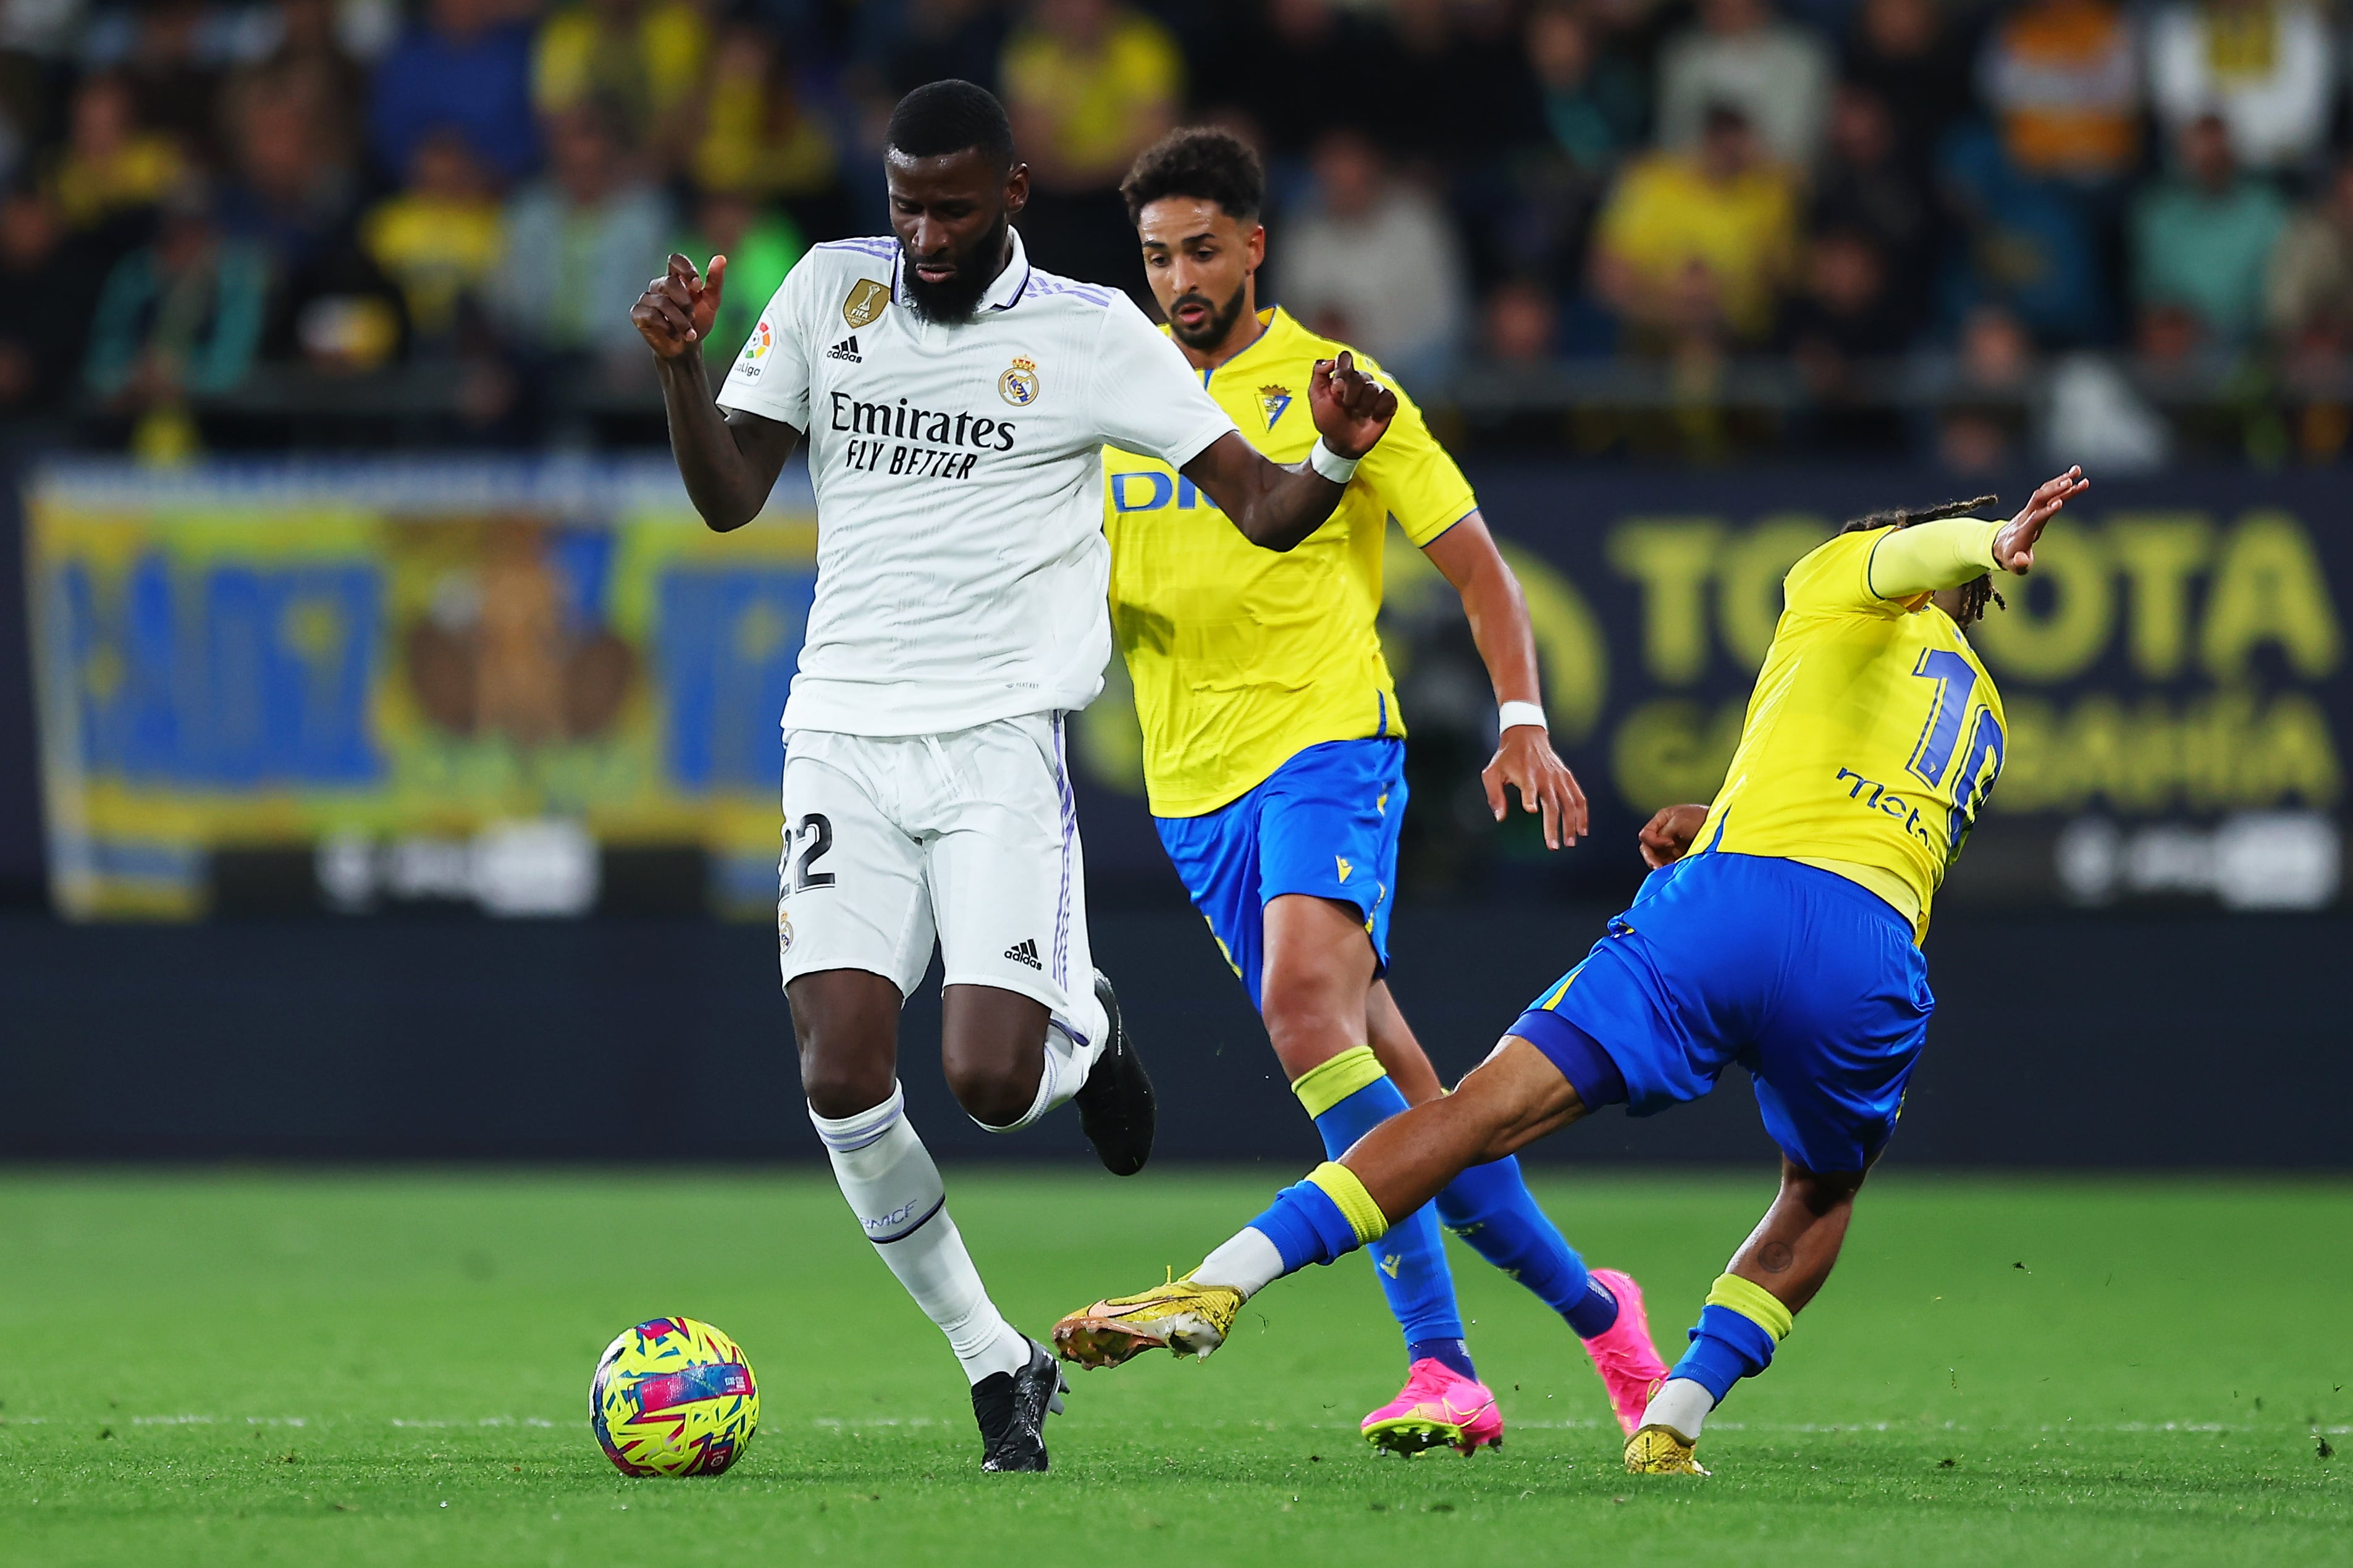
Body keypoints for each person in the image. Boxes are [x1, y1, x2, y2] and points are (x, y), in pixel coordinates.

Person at [629, 79, 1401, 1475]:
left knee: (988, 1079)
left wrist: (1337, 460)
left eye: (952, 209)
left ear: (1016, 196)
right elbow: (732, 492)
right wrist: (684, 366)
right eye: (904, 205)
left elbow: (1263, 506)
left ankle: (1086, 1030)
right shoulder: (823, 294)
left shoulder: (1093, 334)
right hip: (842, 737)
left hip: (995, 743)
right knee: (840, 1075)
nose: (923, 235)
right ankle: (997, 1362)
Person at [1053, 467, 2093, 1480]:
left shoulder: (1838, 575)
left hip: (1722, 917)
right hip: (1867, 959)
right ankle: (1670, 1423)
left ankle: (1217, 1285)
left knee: (1469, 1118)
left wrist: (1983, 539)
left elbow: (1907, 553)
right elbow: (1853, 823)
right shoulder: (1981, 717)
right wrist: (1713, 818)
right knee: (1819, 1195)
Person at [1103, 126, 1667, 1457]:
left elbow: (1479, 568)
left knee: (1307, 1015)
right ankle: (1601, 1318)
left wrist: (1522, 718)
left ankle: (1435, 1359)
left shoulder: (1339, 389)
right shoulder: (1117, 389)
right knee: (1426, 1114)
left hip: (1328, 745)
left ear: (1253, 246)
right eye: (1154, 257)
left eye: (1198, 250)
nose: (1178, 279)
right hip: (1190, 792)